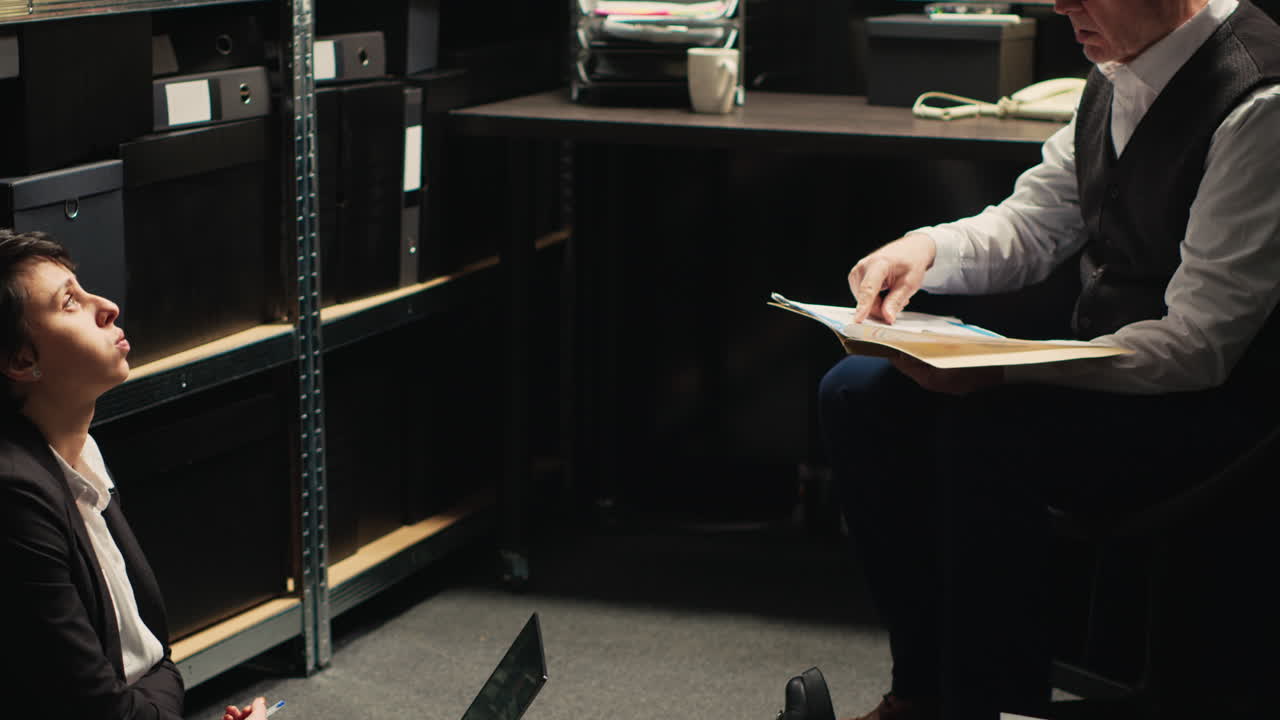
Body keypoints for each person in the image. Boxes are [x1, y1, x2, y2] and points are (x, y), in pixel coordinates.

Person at [819, 1, 1280, 719]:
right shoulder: (1121, 65)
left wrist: (1002, 370)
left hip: (1223, 416)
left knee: (987, 431)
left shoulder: (1261, 101)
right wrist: (926, 250)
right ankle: (925, 691)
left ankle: (988, 706)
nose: (1062, 4)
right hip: (1112, 375)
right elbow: (1034, 223)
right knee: (858, 392)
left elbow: (1200, 346)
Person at [0, 229, 270, 720]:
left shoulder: (80, 455)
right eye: (69, 303)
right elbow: (101, 707)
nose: (106, 307)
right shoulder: (14, 495)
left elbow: (156, 663)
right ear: (21, 360)